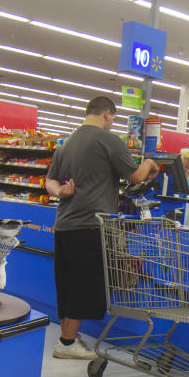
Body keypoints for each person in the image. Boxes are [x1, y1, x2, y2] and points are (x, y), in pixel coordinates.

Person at [45, 96, 159, 360]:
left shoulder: (67, 143)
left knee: (68, 283)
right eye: (113, 119)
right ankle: (66, 342)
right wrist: (150, 163)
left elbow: (49, 180)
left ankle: (68, 339)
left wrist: (60, 191)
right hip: (89, 225)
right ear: (108, 114)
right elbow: (137, 176)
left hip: (64, 225)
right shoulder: (108, 140)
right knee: (84, 284)